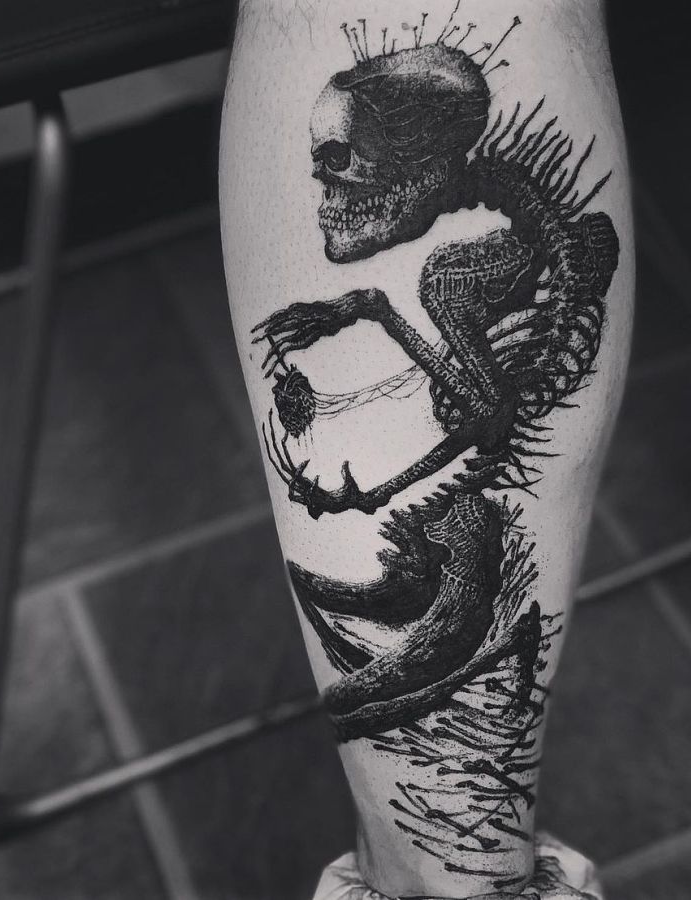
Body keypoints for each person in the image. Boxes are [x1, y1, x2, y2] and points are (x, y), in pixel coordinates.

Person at [219, 0, 634, 896]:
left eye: (342, 157)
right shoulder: (468, 259)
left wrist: (361, 487)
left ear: (423, 161)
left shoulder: (457, 277)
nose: (321, 172)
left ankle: (448, 883)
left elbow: (483, 414)